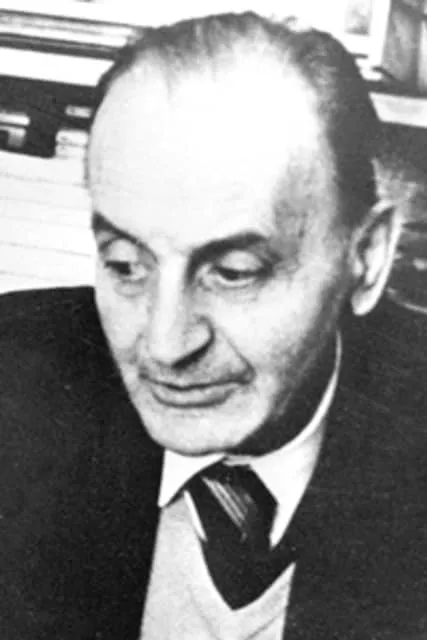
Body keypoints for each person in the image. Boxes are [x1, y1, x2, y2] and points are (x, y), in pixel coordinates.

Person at [0, 11, 426, 640]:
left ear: (364, 258)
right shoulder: (14, 385)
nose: (165, 345)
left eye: (233, 272)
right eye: (125, 265)